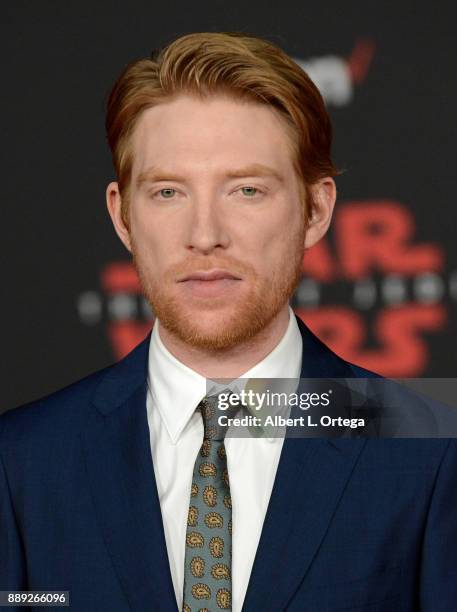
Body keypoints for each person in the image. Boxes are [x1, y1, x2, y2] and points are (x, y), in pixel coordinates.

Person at [0, 32, 455, 612]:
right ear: (122, 216)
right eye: (168, 192)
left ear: (316, 210)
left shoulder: (430, 453)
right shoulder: (20, 461)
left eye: (246, 190)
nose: (204, 234)